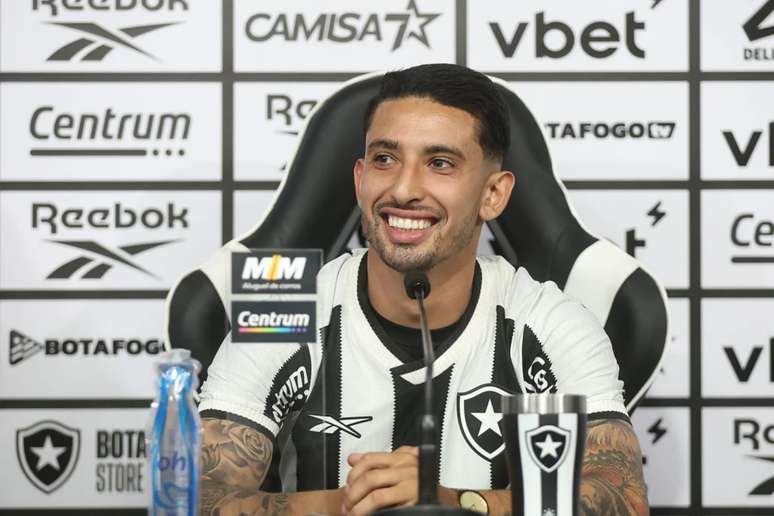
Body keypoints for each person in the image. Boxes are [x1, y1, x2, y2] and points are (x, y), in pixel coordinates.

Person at [197, 63, 648, 516]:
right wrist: (360, 502)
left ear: (493, 194)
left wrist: (458, 504)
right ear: (359, 179)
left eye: (439, 164)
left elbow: (624, 500)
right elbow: (194, 496)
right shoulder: (281, 301)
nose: (403, 188)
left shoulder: (549, 319)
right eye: (385, 159)